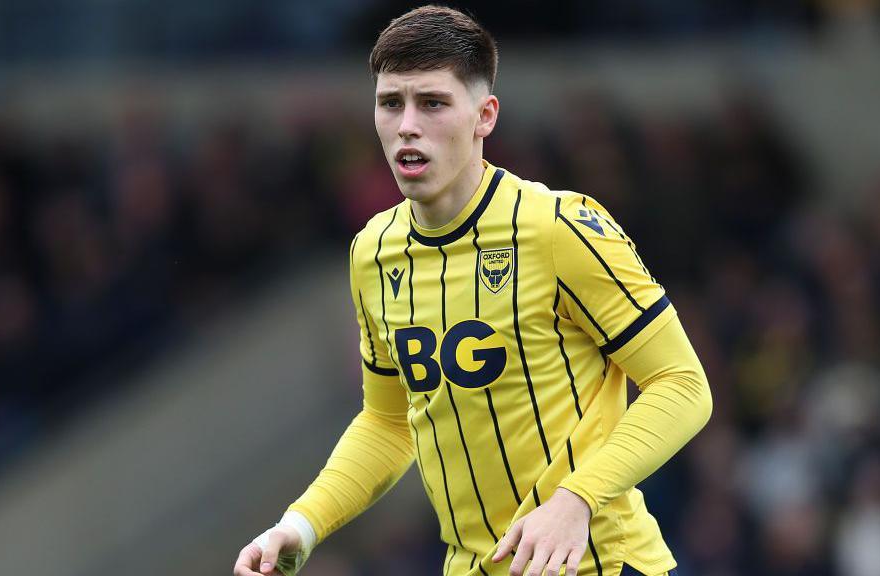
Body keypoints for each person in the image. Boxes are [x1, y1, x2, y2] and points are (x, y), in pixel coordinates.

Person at [233, 6, 711, 576]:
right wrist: (301, 524)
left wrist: (577, 498)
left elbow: (682, 385)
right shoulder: (373, 252)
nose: (408, 124)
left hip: (599, 562)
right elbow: (388, 423)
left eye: (432, 103)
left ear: (484, 116)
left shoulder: (558, 228)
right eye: (391, 103)